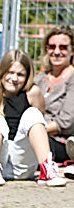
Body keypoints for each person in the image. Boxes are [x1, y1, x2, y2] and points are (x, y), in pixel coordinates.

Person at [0, 50, 67, 187]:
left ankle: (47, 170)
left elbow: (39, 129)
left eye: (20, 74)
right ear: (2, 71)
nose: (14, 78)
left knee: (33, 114)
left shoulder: (33, 93)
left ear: (28, 76)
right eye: (10, 72)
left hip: (20, 165)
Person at [36, 25, 74, 164]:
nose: (56, 52)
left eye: (63, 47)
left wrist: (34, 131)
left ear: (72, 51)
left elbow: (65, 123)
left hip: (61, 141)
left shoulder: (72, 79)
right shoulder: (39, 78)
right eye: (52, 47)